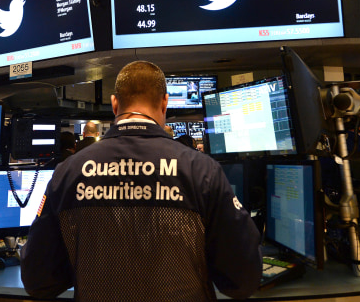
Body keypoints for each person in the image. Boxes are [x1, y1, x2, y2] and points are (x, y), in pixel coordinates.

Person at [20, 61, 262, 301]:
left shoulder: (68, 172)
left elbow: (38, 281)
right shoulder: (202, 169)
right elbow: (243, 280)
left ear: (115, 104)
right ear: (165, 102)